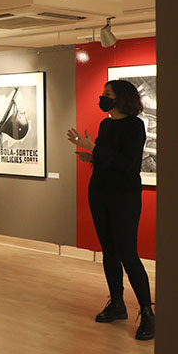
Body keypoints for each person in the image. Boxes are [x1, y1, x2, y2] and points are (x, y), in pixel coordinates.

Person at [67, 79, 155, 340]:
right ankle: (117, 303)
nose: (102, 97)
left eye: (108, 94)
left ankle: (148, 313)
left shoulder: (135, 126)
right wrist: (92, 157)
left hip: (124, 196)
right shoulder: (106, 124)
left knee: (128, 253)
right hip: (100, 193)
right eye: (103, 93)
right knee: (109, 251)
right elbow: (108, 158)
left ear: (121, 99)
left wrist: (93, 148)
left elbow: (129, 164)